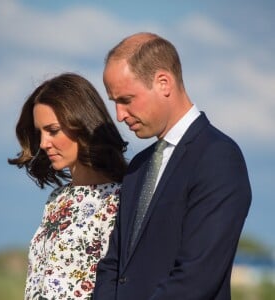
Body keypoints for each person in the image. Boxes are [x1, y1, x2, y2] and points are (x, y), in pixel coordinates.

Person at [93, 32, 252, 300]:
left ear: (163, 82)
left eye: (126, 100)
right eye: (114, 103)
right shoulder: (138, 167)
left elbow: (197, 277)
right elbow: (113, 265)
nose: (119, 115)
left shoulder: (218, 157)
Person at [8, 72, 128, 299]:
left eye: (52, 131)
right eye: (39, 133)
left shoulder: (121, 198)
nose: (43, 143)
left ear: (81, 123)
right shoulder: (57, 199)